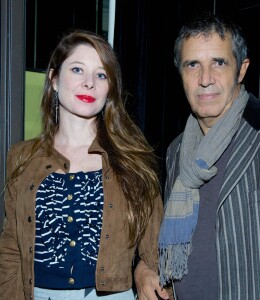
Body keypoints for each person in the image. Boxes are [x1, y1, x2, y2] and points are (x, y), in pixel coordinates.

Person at [134, 12, 260, 300]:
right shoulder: (176, 151)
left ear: (242, 69)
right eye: (192, 65)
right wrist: (145, 270)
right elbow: (177, 242)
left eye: (219, 63)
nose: (205, 79)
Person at [0, 30, 164, 300]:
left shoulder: (134, 160)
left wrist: (144, 272)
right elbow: (11, 251)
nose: (89, 83)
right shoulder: (21, 157)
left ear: (109, 88)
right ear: (54, 79)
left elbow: (156, 250)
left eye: (101, 75)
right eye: (77, 69)